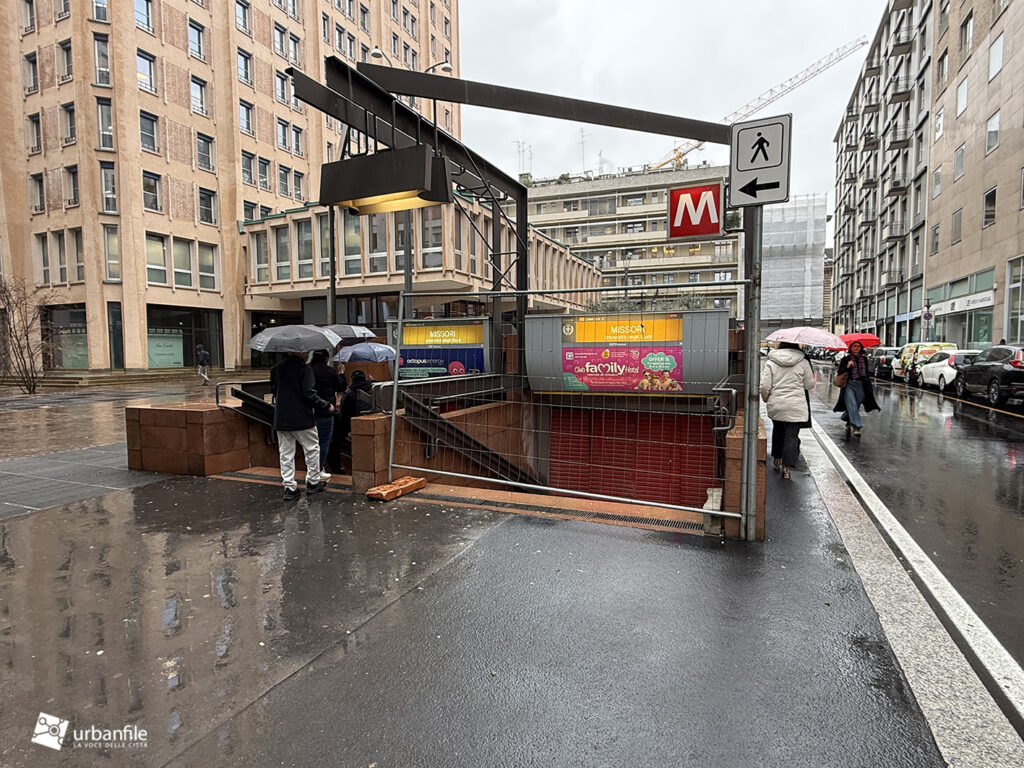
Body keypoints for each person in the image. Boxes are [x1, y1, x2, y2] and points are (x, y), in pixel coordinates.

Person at [270, 351, 334, 501]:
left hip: (282, 417)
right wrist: (326, 405)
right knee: (312, 449)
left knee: (286, 453)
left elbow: (273, 389)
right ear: (300, 352)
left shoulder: (276, 369)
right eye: (306, 352)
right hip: (302, 418)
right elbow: (309, 394)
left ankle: (289, 487)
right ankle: (313, 482)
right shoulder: (305, 369)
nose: (308, 354)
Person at [760, 341, 815, 479]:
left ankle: (777, 459)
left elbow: (765, 386)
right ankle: (787, 468)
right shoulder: (803, 362)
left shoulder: (771, 362)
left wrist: (766, 399)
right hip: (796, 405)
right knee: (791, 435)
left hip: (777, 403)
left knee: (778, 430)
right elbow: (809, 385)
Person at [309, 349, 346, 477]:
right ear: (326, 358)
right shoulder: (330, 371)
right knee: (324, 441)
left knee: (310, 443)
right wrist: (341, 373)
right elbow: (341, 387)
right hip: (325, 410)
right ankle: (318, 469)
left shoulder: (308, 370)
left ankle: (311, 470)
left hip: (308, 411)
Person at [832, 340, 879, 439]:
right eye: (854, 346)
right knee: (852, 404)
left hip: (861, 385)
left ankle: (847, 417)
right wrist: (847, 366)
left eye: (858, 346)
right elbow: (840, 371)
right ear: (850, 348)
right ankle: (856, 427)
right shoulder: (846, 359)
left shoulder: (864, 359)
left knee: (856, 405)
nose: (856, 348)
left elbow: (866, 373)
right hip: (849, 384)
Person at [336, 370, 374, 453]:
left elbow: (343, 414)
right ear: (365, 378)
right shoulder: (373, 388)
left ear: (352, 380)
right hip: (372, 423)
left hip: (353, 425)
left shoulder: (349, 392)